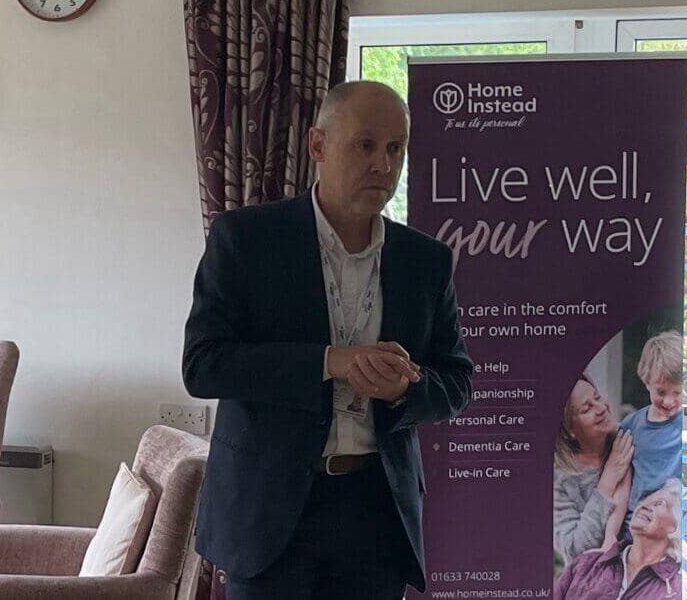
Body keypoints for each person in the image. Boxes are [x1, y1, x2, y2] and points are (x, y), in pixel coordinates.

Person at [183, 80, 474, 599]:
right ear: (317, 144)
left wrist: (404, 389)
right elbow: (203, 365)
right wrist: (328, 362)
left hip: (376, 512)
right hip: (268, 513)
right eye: (365, 145)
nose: (383, 164)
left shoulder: (425, 261)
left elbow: (456, 380)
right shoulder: (246, 240)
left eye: (396, 148)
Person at [553, 479, 682, 599]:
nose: (645, 505)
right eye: (647, 499)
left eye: (660, 504)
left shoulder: (675, 589)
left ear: (676, 527)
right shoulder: (586, 564)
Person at [553, 374, 633, 563]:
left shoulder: (628, 439)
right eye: (586, 408)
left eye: (597, 397)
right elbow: (575, 550)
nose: (601, 408)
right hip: (596, 574)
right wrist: (607, 481)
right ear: (569, 430)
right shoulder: (559, 479)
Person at [619, 331, 683, 534]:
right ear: (647, 383)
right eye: (661, 392)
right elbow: (621, 477)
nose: (669, 401)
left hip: (668, 523)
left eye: (677, 392)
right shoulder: (632, 425)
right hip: (634, 522)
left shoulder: (686, 422)